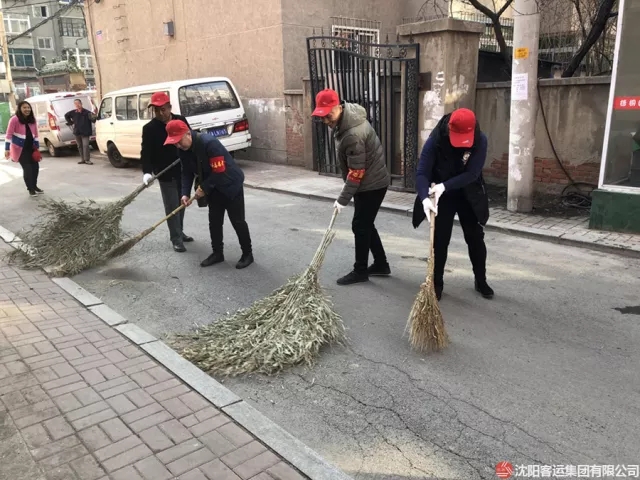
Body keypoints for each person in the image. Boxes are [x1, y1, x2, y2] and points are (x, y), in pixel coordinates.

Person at [311, 88, 391, 286]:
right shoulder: (347, 120)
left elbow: (356, 173)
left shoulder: (352, 134)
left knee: (360, 226)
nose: (326, 121)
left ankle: (360, 271)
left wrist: (342, 200)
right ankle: (381, 264)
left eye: (328, 115)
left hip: (371, 184)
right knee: (366, 223)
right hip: (369, 182)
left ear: (339, 107)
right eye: (322, 117)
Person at [412, 108, 493, 301]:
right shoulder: (436, 139)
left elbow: (472, 173)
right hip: (443, 197)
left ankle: (480, 280)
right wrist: (424, 198)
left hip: (468, 192)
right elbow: (422, 172)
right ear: (449, 128)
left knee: (475, 238)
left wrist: (445, 186)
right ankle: (437, 283)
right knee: (440, 240)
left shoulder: (480, 140)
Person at [163, 119, 254, 269]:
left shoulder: (209, 143)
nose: (177, 145)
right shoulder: (182, 150)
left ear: (188, 133)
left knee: (238, 221)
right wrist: (185, 194)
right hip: (213, 187)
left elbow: (219, 171)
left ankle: (247, 254)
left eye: (179, 141)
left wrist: (203, 188)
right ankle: (217, 253)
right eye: (174, 143)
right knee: (214, 222)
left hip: (230, 184)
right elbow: (186, 172)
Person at [140, 92, 194, 252]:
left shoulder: (181, 120)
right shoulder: (149, 129)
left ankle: (180, 231)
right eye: (156, 110)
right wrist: (147, 172)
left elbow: (190, 139)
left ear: (170, 107)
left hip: (184, 171)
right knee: (172, 207)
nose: (160, 113)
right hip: (165, 173)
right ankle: (176, 238)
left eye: (163, 109)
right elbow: (146, 152)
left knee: (182, 203)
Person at [5, 101, 42, 197]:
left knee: (35, 168)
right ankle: (30, 189)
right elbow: (8, 135)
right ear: (20, 109)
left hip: (31, 148)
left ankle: (34, 186)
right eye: (24, 107)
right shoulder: (14, 119)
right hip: (20, 149)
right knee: (28, 169)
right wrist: (7, 149)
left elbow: (36, 134)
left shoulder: (32, 119)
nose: (27, 109)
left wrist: (37, 147)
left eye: (28, 107)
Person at [65, 99, 96, 165]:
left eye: (78, 103)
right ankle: (82, 159)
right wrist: (70, 122)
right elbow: (66, 115)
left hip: (85, 132)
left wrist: (94, 116)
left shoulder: (87, 112)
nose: (77, 105)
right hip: (77, 132)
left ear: (81, 103)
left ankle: (87, 160)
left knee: (86, 145)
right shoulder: (73, 112)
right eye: (75, 104)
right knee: (80, 146)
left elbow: (94, 119)